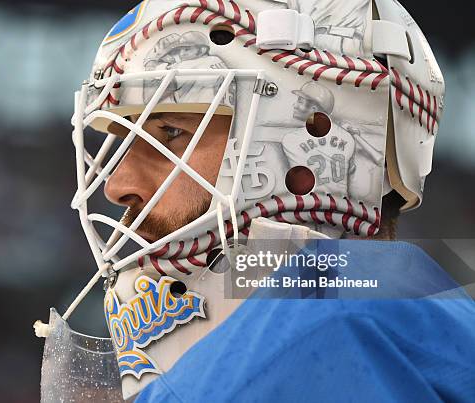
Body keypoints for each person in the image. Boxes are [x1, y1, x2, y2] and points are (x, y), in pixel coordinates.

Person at [36, 0, 475, 402]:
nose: (117, 185)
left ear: (315, 137)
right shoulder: (429, 322)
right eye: (126, 142)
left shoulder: (303, 351)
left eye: (172, 132)